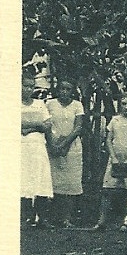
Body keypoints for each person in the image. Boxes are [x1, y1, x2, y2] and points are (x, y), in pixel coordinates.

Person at [94, 91, 127, 231]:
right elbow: (108, 139)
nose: (126, 107)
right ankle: (102, 222)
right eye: (123, 104)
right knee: (108, 190)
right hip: (115, 158)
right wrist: (113, 156)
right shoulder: (115, 120)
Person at [46, 79, 85, 227]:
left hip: (72, 147)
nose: (65, 92)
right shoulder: (50, 104)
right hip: (53, 146)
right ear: (58, 90)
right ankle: (49, 217)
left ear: (72, 91)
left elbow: (78, 127)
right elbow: (47, 124)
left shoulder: (77, 105)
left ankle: (66, 218)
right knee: (52, 181)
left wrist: (64, 144)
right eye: (62, 88)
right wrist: (53, 144)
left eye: (68, 89)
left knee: (70, 183)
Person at [21, 73, 54, 228]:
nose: (28, 89)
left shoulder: (40, 104)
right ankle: (26, 218)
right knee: (24, 180)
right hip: (21, 147)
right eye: (25, 86)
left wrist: (30, 126)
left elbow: (47, 125)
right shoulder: (13, 104)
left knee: (41, 180)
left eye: (31, 86)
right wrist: (37, 124)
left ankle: (42, 218)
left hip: (38, 146)